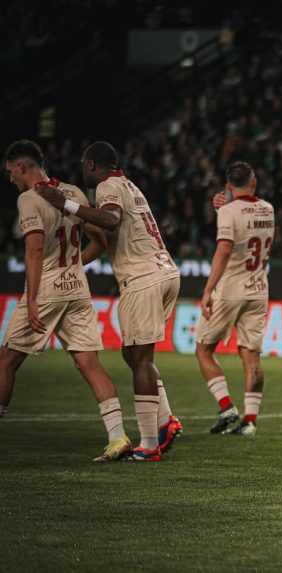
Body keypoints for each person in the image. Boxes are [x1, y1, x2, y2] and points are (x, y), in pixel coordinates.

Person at [36, 141, 182, 461]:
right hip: (165, 272)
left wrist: (65, 204)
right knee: (133, 354)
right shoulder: (130, 185)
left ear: (91, 164)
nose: (82, 169)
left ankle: (149, 445)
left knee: (141, 360)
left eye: (83, 165)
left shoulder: (107, 186)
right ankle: (165, 420)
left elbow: (112, 219)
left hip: (143, 278)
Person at [0, 140, 131, 461]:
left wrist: (32, 299)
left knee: (6, 362)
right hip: (77, 289)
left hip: (46, 290)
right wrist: (73, 265)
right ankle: (118, 437)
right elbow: (100, 241)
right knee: (89, 364)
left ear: (21, 166)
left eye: (10, 171)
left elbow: (34, 249)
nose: (10, 178)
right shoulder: (73, 192)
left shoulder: (28, 199)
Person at [196, 162, 274, 436]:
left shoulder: (229, 211)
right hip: (258, 289)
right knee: (252, 358)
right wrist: (224, 209)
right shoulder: (268, 208)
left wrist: (208, 290)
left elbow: (225, 249)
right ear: (254, 181)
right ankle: (249, 421)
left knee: (204, 350)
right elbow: (248, 224)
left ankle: (227, 407)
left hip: (230, 290)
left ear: (228, 186)